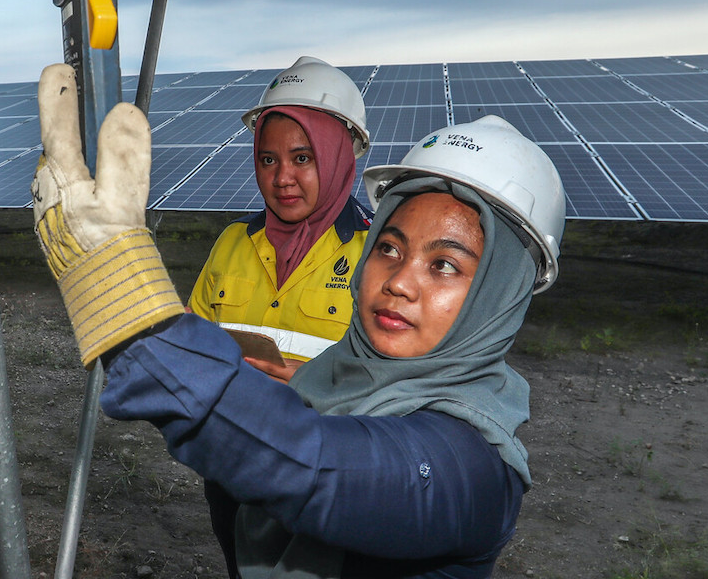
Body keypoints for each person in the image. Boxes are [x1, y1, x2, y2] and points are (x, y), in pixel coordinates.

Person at [30, 64, 566, 579]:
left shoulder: (470, 466)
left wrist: (123, 304)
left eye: (444, 264)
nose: (399, 282)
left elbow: (311, 467)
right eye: (388, 248)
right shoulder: (335, 375)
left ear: (502, 292)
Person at [188, 56, 373, 383]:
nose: (282, 178)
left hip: (328, 434)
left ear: (338, 158)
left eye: (302, 158)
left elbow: (397, 386)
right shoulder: (233, 240)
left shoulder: (378, 252)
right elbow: (194, 349)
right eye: (268, 159)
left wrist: (320, 387)